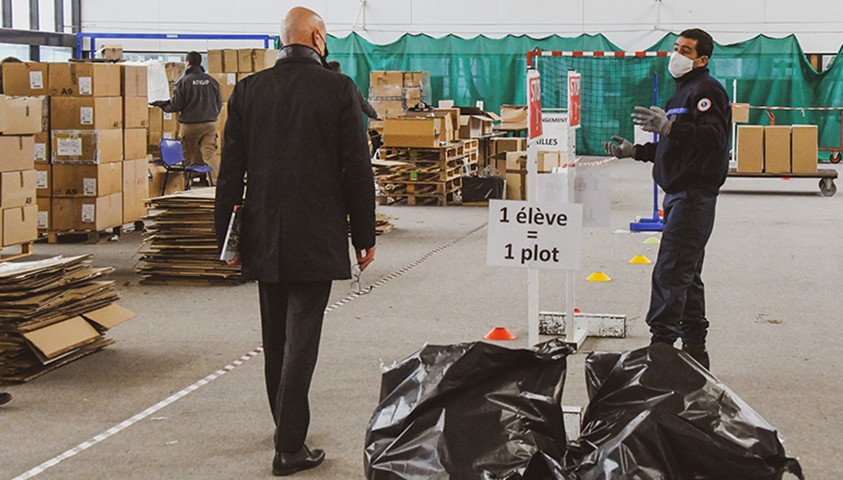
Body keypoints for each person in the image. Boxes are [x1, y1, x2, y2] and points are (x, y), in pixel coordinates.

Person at [214, 7, 376, 477]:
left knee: (275, 337)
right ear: (318, 38)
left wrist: (224, 236)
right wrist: (364, 235)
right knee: (302, 339)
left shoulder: (250, 91)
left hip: (264, 233)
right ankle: (289, 447)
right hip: (316, 234)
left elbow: (230, 173)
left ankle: (284, 425)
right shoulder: (338, 89)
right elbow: (356, 170)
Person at [603, 28, 730, 369]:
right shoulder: (680, 95)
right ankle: (695, 352)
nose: (676, 54)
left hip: (694, 197)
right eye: (676, 47)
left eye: (685, 50)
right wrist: (636, 151)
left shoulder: (707, 91)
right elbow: (675, 147)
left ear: (702, 59)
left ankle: (661, 350)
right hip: (677, 196)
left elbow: (713, 138)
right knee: (687, 273)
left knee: (671, 271)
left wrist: (671, 128)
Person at [152, 51, 222, 172]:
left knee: (187, 156)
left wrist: (162, 105)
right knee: (209, 155)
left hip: (190, 125)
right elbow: (219, 103)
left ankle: (185, 183)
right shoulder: (212, 81)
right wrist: (212, 115)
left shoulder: (184, 82)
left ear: (187, 63)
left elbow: (176, 105)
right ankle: (217, 183)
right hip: (210, 124)